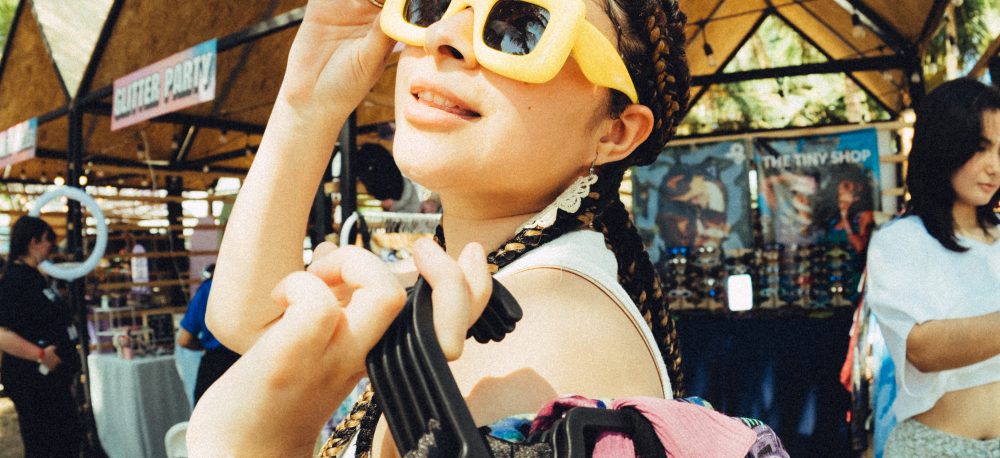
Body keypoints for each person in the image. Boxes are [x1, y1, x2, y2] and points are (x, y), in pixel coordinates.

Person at [188, 0, 691, 455]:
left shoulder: (545, 341)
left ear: (614, 132)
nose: (442, 35)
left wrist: (258, 445)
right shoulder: (487, 283)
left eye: (520, 25)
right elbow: (252, 321)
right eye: (431, 6)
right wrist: (309, 101)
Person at [866, 77, 1000, 457]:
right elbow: (924, 350)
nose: (994, 167)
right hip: (934, 447)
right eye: (980, 148)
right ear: (944, 145)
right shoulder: (900, 241)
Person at [0, 216, 82, 457]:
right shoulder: (14, 281)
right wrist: (39, 354)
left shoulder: (35, 276)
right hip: (35, 383)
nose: (52, 246)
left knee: (65, 441)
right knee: (46, 446)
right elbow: (2, 333)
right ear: (33, 242)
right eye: (49, 240)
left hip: (53, 382)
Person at [176, 264, 240, 406]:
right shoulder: (251, 287)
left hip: (215, 364)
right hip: (247, 363)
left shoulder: (208, 289)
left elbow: (184, 340)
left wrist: (203, 346)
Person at [810, 164, 876, 254]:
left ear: (859, 187)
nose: (841, 192)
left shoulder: (864, 216)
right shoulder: (832, 219)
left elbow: (860, 247)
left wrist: (845, 219)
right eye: (839, 189)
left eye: (846, 186)